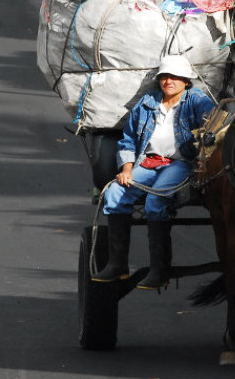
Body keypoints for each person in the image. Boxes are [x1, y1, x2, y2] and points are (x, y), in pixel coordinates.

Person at [93, 55, 216, 290]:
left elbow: (214, 127)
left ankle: (159, 271)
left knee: (155, 201)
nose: (169, 81)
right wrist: (126, 169)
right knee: (114, 195)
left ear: (186, 81)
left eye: (175, 77)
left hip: (180, 164)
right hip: (148, 162)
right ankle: (118, 265)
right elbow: (128, 139)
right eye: (165, 77)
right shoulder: (147, 102)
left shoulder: (197, 101)